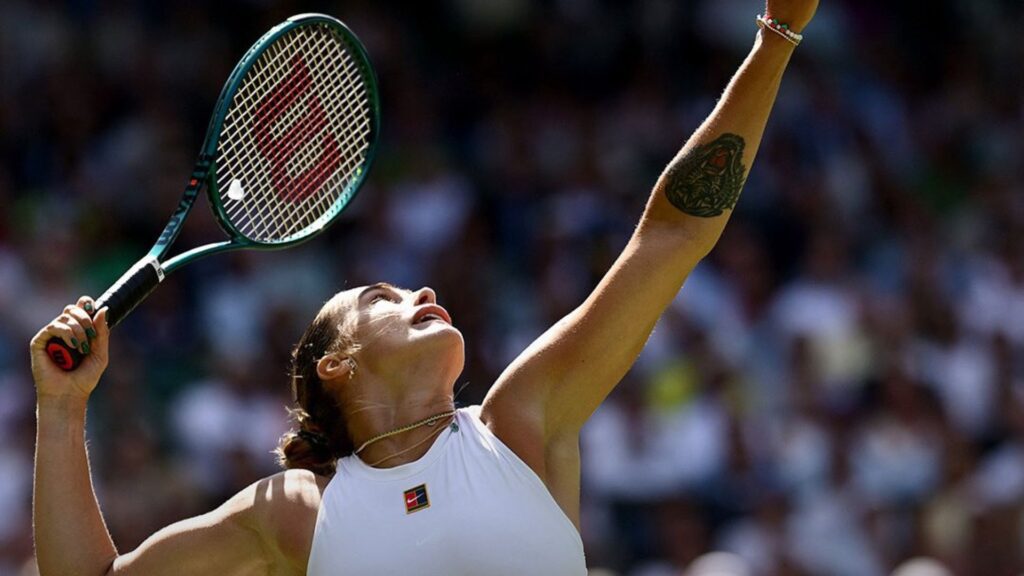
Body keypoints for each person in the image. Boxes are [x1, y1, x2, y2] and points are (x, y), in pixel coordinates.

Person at [30, 1, 819, 574]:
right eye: (381, 297)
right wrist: (62, 411)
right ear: (334, 365)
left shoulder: (521, 422)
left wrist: (776, 37)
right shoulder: (294, 514)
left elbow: (672, 236)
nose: (422, 293)